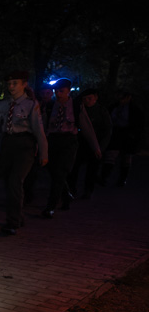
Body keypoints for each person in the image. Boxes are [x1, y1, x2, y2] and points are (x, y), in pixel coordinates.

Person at [0, 71, 48, 235]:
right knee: (8, 182)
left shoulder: (31, 104)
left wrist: (43, 152)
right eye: (9, 83)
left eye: (15, 83)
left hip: (24, 145)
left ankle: (12, 222)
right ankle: (18, 216)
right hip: (8, 144)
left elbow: (38, 130)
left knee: (15, 181)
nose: (11, 86)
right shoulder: (3, 104)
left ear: (24, 84)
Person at [41, 78, 101, 218]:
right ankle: (66, 195)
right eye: (56, 91)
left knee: (60, 172)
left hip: (68, 141)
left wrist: (95, 146)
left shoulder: (75, 105)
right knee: (53, 171)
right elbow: (43, 126)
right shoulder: (50, 106)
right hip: (53, 140)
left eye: (61, 91)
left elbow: (86, 126)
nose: (58, 93)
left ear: (68, 91)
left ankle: (51, 206)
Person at [68, 88, 111, 199]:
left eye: (89, 98)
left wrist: (101, 147)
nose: (87, 101)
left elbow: (107, 130)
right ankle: (71, 189)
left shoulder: (101, 111)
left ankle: (88, 190)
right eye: (85, 99)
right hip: (81, 142)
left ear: (95, 97)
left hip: (96, 143)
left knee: (92, 169)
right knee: (75, 166)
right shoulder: (80, 110)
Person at [101, 92, 144, 187]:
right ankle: (104, 178)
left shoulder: (134, 109)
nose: (120, 100)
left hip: (128, 134)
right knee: (111, 155)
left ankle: (121, 179)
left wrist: (134, 135)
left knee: (126, 158)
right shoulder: (114, 107)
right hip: (116, 133)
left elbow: (139, 124)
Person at [23, 82, 54, 205]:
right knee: (31, 171)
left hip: (48, 139)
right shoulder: (34, 106)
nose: (45, 95)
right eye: (43, 92)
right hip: (35, 140)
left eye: (48, 92)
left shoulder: (53, 106)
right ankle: (28, 194)